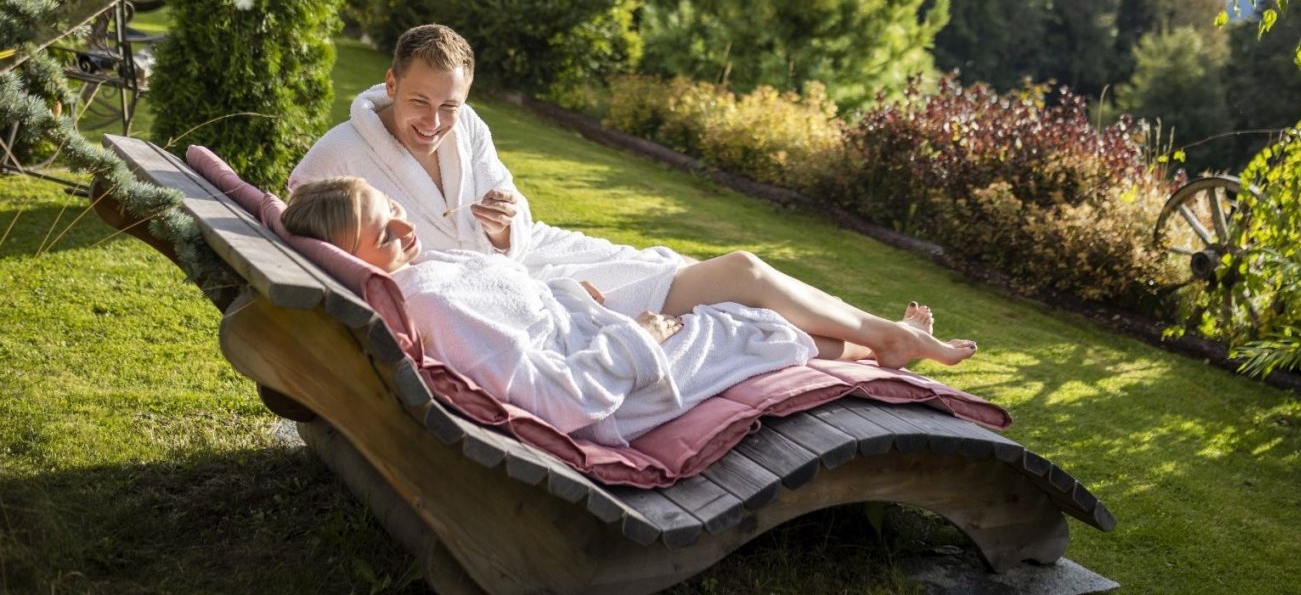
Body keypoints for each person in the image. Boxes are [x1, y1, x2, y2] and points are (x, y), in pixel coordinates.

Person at [290, 23, 975, 360]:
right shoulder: (338, 156)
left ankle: (881, 339)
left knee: (695, 276)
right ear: (388, 82)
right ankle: (882, 341)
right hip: (501, 298)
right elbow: (325, 237)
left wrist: (508, 229)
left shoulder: (466, 127)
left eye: (451, 107)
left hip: (531, 262)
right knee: (722, 291)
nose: (436, 124)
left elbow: (513, 205)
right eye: (420, 103)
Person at [282, 177, 976, 445]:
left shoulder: (429, 271)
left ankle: (885, 340)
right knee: (755, 323)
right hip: (619, 386)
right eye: (384, 234)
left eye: (395, 211)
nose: (406, 229)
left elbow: (525, 314)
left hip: (595, 330)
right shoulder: (431, 299)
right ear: (358, 261)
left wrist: (572, 299)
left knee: (742, 287)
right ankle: (885, 346)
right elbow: (557, 399)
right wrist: (634, 338)